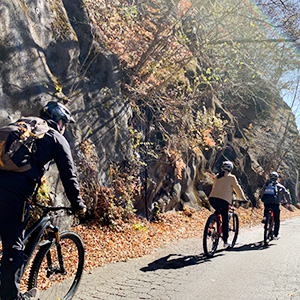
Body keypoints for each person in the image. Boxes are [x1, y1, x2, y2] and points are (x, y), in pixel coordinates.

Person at [0, 101, 86, 300]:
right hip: (12, 193)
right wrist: (78, 205)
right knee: (15, 248)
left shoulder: (24, 125)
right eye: (64, 123)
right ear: (59, 121)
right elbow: (68, 175)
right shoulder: (55, 137)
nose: (64, 127)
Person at [208, 161, 247, 248]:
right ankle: (225, 241)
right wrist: (243, 198)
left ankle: (210, 225)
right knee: (225, 219)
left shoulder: (217, 176)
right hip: (224, 200)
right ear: (231, 169)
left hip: (212, 199)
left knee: (217, 212)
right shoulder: (231, 177)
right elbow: (237, 188)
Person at [260, 171, 291, 240]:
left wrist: (260, 197)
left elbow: (261, 192)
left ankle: (265, 217)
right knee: (277, 219)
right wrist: (289, 202)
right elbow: (286, 193)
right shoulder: (279, 186)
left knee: (266, 207)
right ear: (277, 178)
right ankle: (275, 234)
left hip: (267, 202)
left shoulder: (267, 185)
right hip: (275, 203)